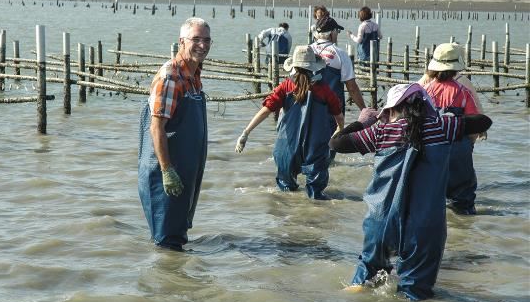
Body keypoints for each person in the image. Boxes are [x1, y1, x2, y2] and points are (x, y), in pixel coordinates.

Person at [330, 83, 492, 300]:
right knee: (415, 295)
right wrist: (450, 117)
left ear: (390, 109)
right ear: (425, 106)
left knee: (367, 278)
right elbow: (484, 121)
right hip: (424, 226)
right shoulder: (442, 127)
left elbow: (336, 143)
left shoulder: (381, 131)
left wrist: (361, 122)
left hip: (381, 222)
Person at [138, 17, 211, 251]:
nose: (203, 45)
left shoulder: (193, 75)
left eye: (207, 40)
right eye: (196, 39)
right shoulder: (170, 77)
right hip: (167, 174)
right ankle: (165, 284)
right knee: (166, 242)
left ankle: (176, 284)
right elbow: (156, 127)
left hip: (186, 172)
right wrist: (167, 171)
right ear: (181, 41)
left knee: (175, 236)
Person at [235, 45, 344, 200]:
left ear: (294, 66)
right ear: (314, 67)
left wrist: (245, 133)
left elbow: (266, 110)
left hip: (288, 143)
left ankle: (290, 215)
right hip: (316, 145)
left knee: (286, 188)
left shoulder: (286, 85)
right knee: (316, 191)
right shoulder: (324, 89)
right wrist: (339, 130)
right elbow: (338, 114)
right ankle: (315, 216)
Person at [418, 43, 483, 215]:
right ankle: (465, 234)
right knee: (463, 201)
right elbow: (474, 127)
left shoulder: (423, 91)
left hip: (430, 150)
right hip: (458, 150)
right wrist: (467, 145)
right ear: (456, 69)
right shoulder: (463, 92)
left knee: (431, 200)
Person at [310, 14, 366, 113]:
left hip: (308, 109)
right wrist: (364, 109)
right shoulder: (340, 54)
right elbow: (352, 88)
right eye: (337, 31)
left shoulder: (306, 50)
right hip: (333, 111)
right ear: (333, 33)